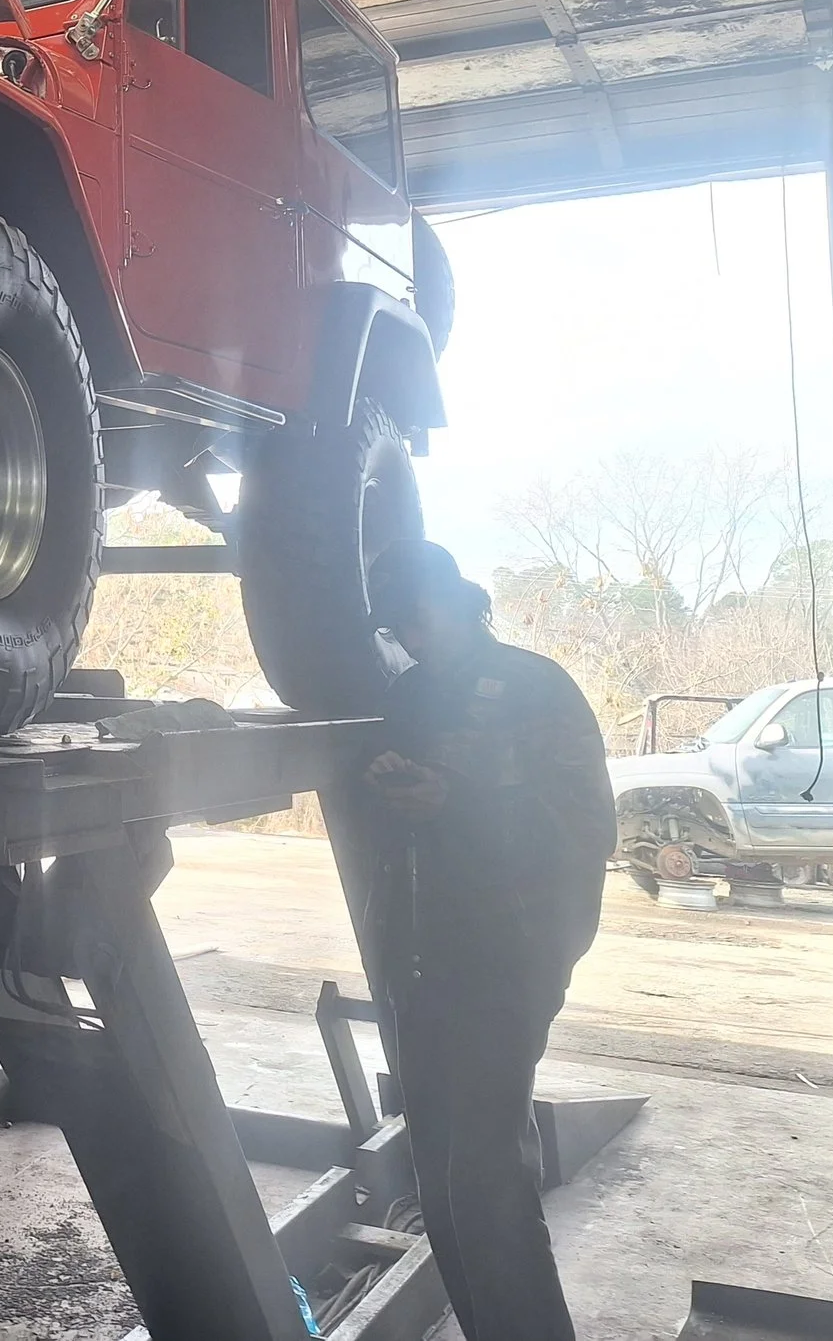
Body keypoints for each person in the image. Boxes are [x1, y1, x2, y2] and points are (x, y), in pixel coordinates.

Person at [347, 537, 614, 1341]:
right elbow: (384, 818)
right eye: (397, 624)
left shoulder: (538, 689)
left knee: (484, 1178)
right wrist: (386, 784)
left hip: (510, 960)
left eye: (418, 616)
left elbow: (590, 826)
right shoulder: (408, 697)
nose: (411, 635)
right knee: (438, 1181)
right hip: (418, 965)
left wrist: (454, 801)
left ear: (460, 599)